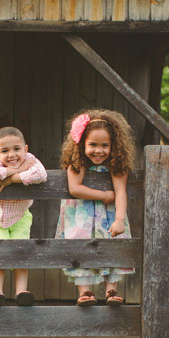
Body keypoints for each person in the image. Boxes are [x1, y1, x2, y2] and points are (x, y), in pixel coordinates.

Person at [55, 109, 136, 306]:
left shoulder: (117, 164)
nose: (98, 150)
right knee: (81, 247)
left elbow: (121, 191)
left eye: (105, 145)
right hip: (81, 216)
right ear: (82, 143)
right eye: (92, 145)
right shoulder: (77, 162)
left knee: (113, 246)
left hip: (109, 216)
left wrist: (119, 219)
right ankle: (85, 292)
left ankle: (111, 290)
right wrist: (104, 195)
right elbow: (75, 188)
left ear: (113, 146)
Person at [0, 126, 47, 306]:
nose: (12, 155)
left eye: (17, 149)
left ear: (25, 149)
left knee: (21, 252)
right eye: (5, 151)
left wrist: (11, 179)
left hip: (21, 216)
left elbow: (41, 174)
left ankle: (21, 291)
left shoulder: (30, 159)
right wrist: (20, 170)